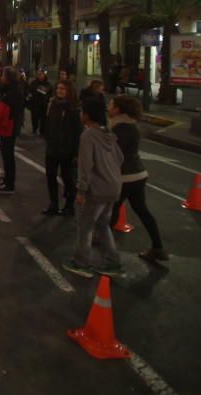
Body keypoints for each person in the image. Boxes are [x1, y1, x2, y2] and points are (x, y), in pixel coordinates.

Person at [63, 98, 124, 278]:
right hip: (113, 187)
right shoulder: (108, 134)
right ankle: (113, 263)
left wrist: (81, 191)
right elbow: (120, 158)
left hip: (96, 189)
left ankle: (82, 262)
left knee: (85, 226)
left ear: (87, 115)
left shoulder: (88, 136)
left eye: (83, 112)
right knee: (103, 225)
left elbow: (85, 166)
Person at [107, 96, 168, 263]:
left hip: (126, 176)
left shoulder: (121, 128)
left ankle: (108, 252)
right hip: (137, 175)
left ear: (118, 109)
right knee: (141, 210)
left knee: (112, 208)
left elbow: (116, 154)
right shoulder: (128, 126)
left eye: (111, 104)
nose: (108, 106)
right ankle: (158, 248)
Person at [42, 80, 82, 215]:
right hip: (53, 147)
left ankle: (69, 206)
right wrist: (47, 137)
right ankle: (53, 203)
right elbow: (48, 122)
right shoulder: (53, 104)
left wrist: (76, 152)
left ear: (69, 91)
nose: (59, 91)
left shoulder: (74, 109)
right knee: (50, 176)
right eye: (58, 88)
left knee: (68, 178)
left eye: (63, 89)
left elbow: (77, 132)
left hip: (67, 150)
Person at [0, 66, 25, 195]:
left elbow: (8, 109)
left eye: (3, 76)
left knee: (8, 155)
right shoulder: (6, 89)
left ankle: (9, 184)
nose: (1, 78)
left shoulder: (14, 92)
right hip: (4, 126)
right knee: (5, 154)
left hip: (9, 126)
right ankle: (6, 180)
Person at [26, 69, 52, 136]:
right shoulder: (34, 83)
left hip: (43, 105)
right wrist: (29, 94)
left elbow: (50, 94)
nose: (39, 75)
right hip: (35, 104)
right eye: (38, 74)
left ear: (44, 75)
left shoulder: (48, 84)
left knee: (43, 119)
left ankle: (42, 131)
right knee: (34, 118)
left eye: (41, 74)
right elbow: (29, 90)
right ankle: (34, 129)